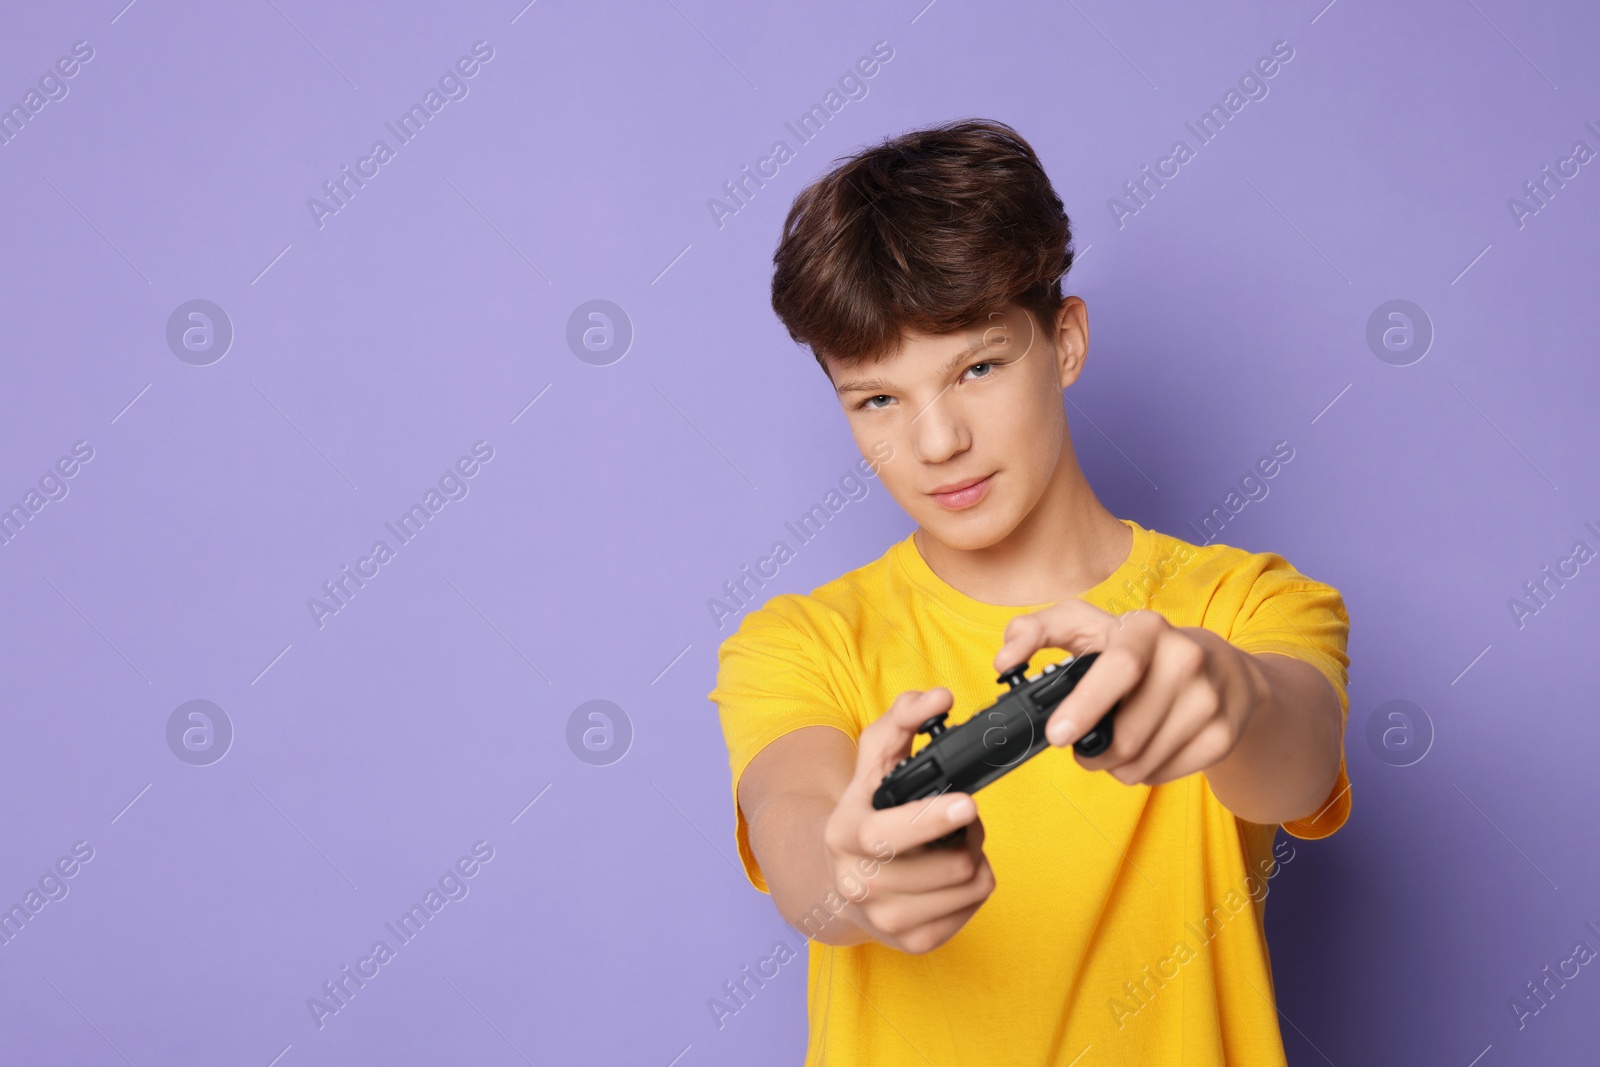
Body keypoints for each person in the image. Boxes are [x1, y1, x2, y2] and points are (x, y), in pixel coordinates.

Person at [707, 118, 1351, 1066]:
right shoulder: (800, 642)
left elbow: (1296, 762)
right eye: (878, 398)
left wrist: (1227, 692)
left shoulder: (1246, 602)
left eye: (977, 367)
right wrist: (848, 873)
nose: (936, 444)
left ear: (1067, 341)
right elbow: (797, 830)